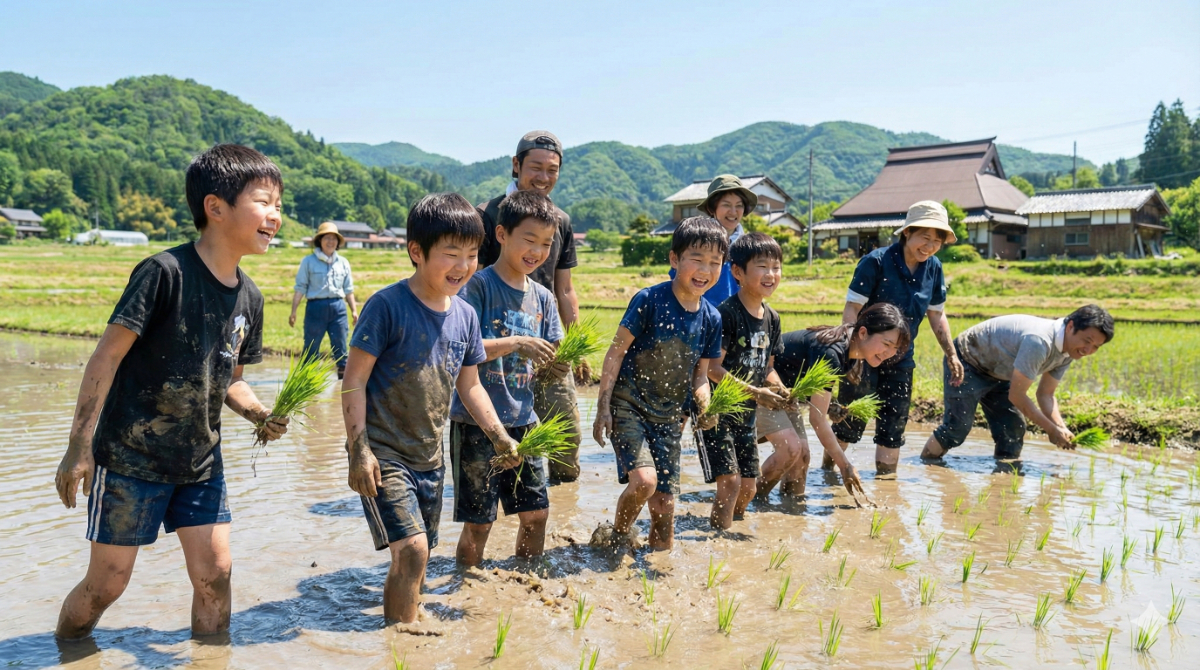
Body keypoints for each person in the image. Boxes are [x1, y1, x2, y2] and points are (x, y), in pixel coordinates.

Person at [52, 144, 290, 640]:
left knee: (216, 576)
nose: (276, 216)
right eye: (265, 202)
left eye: (279, 206)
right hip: (131, 458)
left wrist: (259, 414)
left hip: (200, 463)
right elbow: (106, 358)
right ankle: (66, 649)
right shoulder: (164, 273)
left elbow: (233, 379)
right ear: (215, 207)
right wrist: (78, 447)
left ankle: (209, 656)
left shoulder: (250, 296)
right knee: (107, 585)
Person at [341, 193, 519, 625]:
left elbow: (471, 385)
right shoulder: (387, 306)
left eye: (473, 255)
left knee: (418, 554)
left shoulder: (465, 316)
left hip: (430, 458)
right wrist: (358, 450)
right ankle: (403, 639)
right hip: (385, 454)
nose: (463, 265)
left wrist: (500, 436)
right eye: (451, 253)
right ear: (417, 253)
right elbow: (354, 381)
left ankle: (404, 623)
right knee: (414, 549)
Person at [591, 217, 725, 551]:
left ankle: (659, 570)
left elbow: (700, 375)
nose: (705, 269)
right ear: (674, 259)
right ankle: (618, 537)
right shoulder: (649, 300)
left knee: (665, 507)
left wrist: (705, 406)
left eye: (715, 262)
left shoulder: (711, 317)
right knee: (644, 481)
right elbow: (616, 351)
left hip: (668, 417)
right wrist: (603, 407)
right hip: (629, 404)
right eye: (696, 258)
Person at [449, 191, 565, 567]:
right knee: (480, 522)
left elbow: (551, 350)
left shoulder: (545, 298)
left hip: (525, 421)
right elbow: (462, 344)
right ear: (500, 234)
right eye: (529, 240)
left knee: (536, 514)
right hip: (476, 424)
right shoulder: (479, 286)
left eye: (546, 244)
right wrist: (516, 342)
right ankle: (467, 585)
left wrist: (558, 363)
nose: (537, 251)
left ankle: (524, 581)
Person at [476, 131, 583, 483]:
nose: (543, 177)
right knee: (498, 442)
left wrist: (575, 345)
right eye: (535, 167)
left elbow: (564, 288)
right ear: (516, 165)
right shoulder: (487, 215)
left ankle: (557, 506)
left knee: (565, 435)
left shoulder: (560, 221)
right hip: (498, 350)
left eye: (552, 170)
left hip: (547, 344)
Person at [834, 200, 963, 475]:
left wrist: (951, 353)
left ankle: (886, 485)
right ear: (907, 233)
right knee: (851, 419)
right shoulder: (876, 262)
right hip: (864, 354)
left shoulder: (934, 268)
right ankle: (831, 470)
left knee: (894, 423)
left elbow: (937, 315)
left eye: (936, 241)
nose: (929, 246)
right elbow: (852, 308)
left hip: (901, 357)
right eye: (924, 238)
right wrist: (851, 355)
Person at [920, 305, 1114, 461]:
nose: (1088, 350)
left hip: (1000, 373)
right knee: (957, 427)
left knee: (1012, 429)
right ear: (1071, 326)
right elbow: (1017, 396)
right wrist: (1050, 429)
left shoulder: (1070, 350)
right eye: (1087, 341)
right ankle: (926, 464)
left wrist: (1061, 428)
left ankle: (1002, 481)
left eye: (1096, 346)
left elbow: (1046, 394)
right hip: (968, 361)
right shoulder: (1039, 342)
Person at [760, 304, 911, 501]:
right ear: (864, 332)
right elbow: (817, 419)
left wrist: (831, 406)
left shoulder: (851, 346)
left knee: (802, 456)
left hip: (786, 396)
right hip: (761, 386)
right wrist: (844, 465)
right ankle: (755, 498)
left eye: (895, 348)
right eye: (886, 344)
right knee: (791, 449)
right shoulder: (832, 352)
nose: (889, 353)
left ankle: (790, 509)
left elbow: (811, 390)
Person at [698, 232, 792, 529]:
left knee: (749, 487)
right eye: (762, 266)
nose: (771, 274)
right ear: (737, 272)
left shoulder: (772, 318)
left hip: (746, 415)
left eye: (776, 267)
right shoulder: (726, 314)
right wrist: (756, 391)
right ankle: (719, 541)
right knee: (730, 483)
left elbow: (766, 368)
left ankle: (725, 530)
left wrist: (779, 387)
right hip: (718, 411)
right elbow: (713, 369)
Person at [671, 174, 754, 307]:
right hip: (700, 316)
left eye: (739, 205)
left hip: (737, 320)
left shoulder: (749, 246)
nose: (733, 212)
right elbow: (678, 279)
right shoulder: (696, 239)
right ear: (712, 208)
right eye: (726, 205)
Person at [289, 221, 357, 378]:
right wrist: (293, 311)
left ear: (338, 242)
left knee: (341, 346)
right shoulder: (308, 261)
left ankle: (343, 383)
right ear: (320, 240)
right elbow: (300, 288)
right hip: (315, 308)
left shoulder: (343, 263)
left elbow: (348, 289)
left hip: (338, 308)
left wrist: (354, 310)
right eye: (327, 238)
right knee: (311, 347)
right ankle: (307, 383)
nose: (331, 242)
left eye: (334, 239)